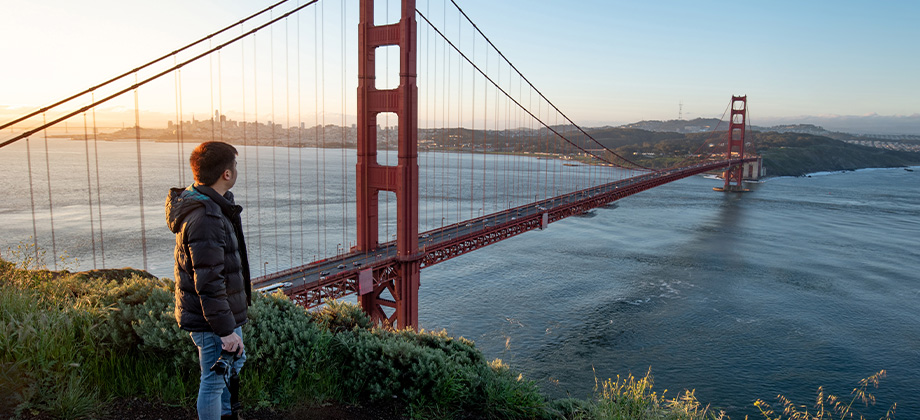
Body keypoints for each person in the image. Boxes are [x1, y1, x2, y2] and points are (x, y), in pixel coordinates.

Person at [166, 141, 251, 420]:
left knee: (234, 364)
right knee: (213, 382)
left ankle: (227, 414)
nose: (237, 170)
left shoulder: (211, 204)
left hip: (221, 314)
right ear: (226, 174)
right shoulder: (206, 216)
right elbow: (209, 282)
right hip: (213, 320)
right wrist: (225, 331)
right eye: (235, 166)